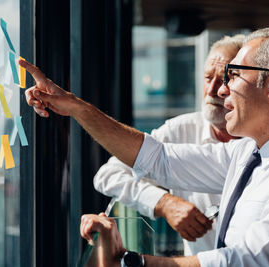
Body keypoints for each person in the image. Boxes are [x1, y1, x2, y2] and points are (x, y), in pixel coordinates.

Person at [21, 28, 269, 266]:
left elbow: (253, 261)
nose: (222, 90)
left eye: (233, 75)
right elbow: (156, 158)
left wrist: (134, 263)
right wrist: (76, 107)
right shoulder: (247, 153)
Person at [93, 34, 244, 256]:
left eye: (224, 79)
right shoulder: (180, 130)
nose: (213, 90)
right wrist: (163, 203)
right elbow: (108, 174)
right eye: (207, 77)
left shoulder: (264, 140)